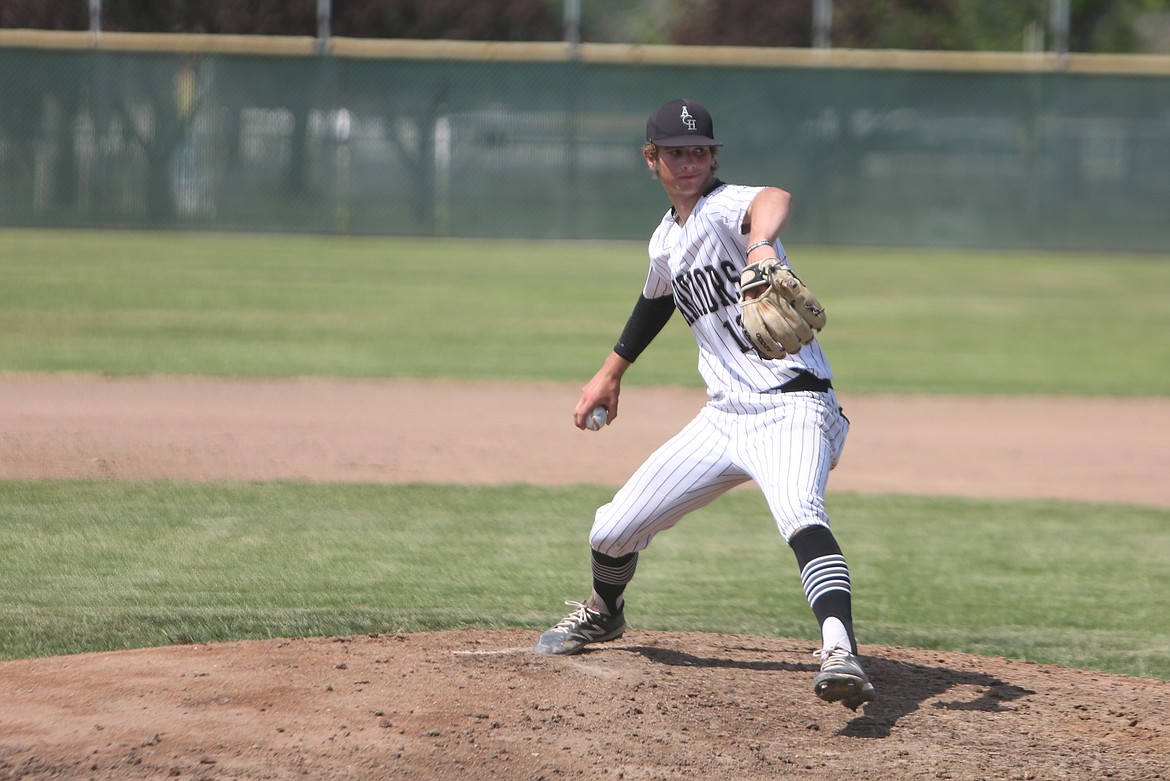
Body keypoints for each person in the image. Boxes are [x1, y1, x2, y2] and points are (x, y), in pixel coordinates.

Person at [533, 98, 875, 711]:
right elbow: (655, 300)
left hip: (793, 405)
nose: (689, 162)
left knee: (800, 512)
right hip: (723, 419)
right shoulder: (665, 237)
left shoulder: (726, 208)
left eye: (700, 151)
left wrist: (760, 248)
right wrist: (611, 372)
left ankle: (839, 649)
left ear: (713, 156)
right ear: (652, 159)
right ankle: (605, 612)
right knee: (611, 529)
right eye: (676, 152)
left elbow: (773, 197)